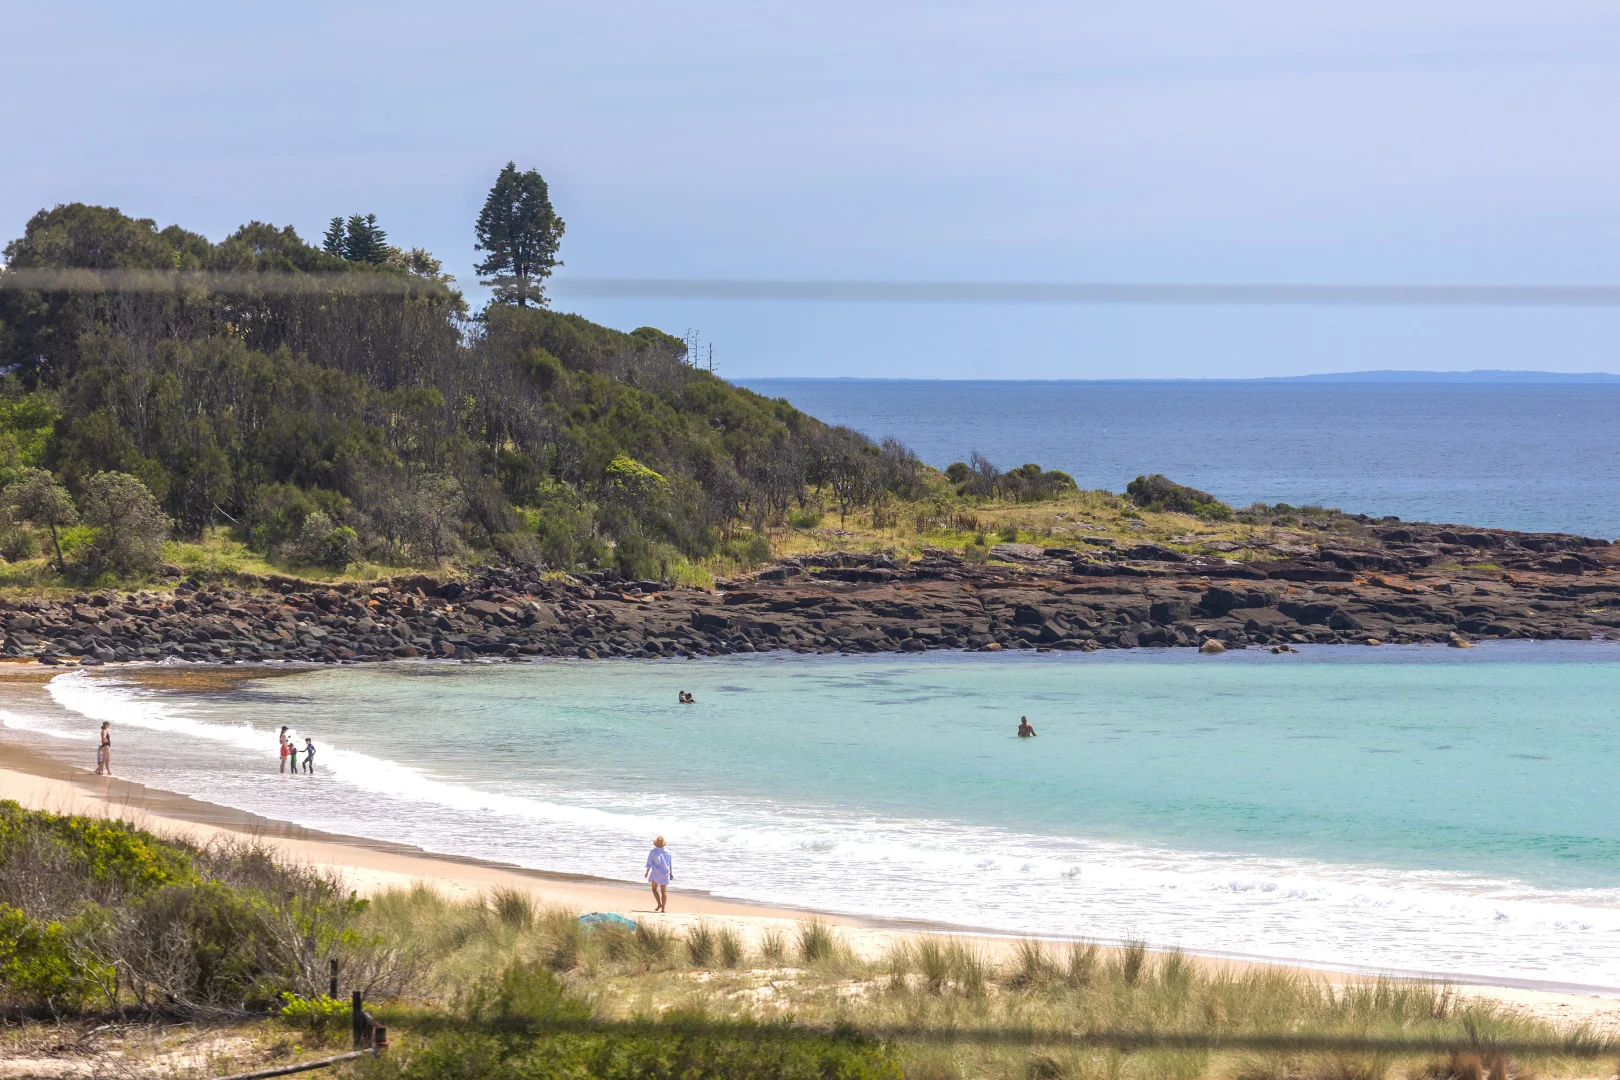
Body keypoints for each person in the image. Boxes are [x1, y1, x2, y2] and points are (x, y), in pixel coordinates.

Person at [644, 836, 673, 912]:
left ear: (656, 844)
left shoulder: (653, 851)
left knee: (654, 889)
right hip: (665, 873)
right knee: (664, 891)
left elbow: (649, 862)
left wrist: (647, 872)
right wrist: (671, 873)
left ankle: (659, 904)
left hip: (656, 872)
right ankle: (663, 909)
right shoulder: (668, 852)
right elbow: (670, 864)